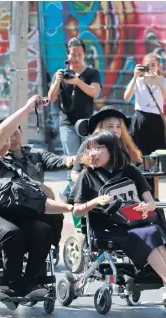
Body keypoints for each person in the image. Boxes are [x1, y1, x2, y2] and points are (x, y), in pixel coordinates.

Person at [0, 95, 74, 309]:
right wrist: (26, 108)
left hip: (17, 214)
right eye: (5, 133)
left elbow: (37, 201)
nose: (8, 137)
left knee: (43, 230)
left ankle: (32, 283)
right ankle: (11, 284)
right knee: (12, 234)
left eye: (14, 134)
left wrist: (72, 207)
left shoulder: (16, 165)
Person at [70, 130, 166, 303]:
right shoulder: (86, 175)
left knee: (154, 231)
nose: (93, 153)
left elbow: (151, 202)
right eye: (90, 148)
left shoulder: (129, 170)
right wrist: (95, 201)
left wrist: (147, 206)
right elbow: (76, 211)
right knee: (148, 234)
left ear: (112, 149)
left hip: (132, 222)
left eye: (98, 147)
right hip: (106, 229)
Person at [5, 127, 75, 257]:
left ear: (22, 133)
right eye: (8, 135)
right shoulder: (0, 159)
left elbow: (56, 160)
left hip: (38, 204)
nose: (13, 138)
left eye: (16, 133)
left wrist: (70, 160)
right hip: (15, 206)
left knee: (57, 216)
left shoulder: (36, 154)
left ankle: (53, 248)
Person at [47, 37, 101, 200]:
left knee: (88, 157)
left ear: (84, 54)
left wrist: (78, 81)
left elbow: (94, 92)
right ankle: (73, 193)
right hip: (67, 122)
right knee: (72, 158)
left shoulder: (92, 73)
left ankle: (71, 192)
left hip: (86, 123)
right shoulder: (61, 75)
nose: (76, 58)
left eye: (79, 54)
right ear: (67, 55)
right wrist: (57, 81)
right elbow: (51, 98)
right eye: (73, 54)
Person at [71, 105, 142, 183]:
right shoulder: (88, 144)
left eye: (118, 126)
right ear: (100, 128)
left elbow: (135, 169)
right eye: (110, 126)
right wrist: (91, 183)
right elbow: (74, 174)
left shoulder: (124, 144)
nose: (115, 130)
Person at [123, 53, 166, 155]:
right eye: (147, 65)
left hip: (156, 119)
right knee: (139, 152)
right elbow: (126, 97)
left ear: (158, 67)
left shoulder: (164, 81)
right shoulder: (139, 81)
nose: (150, 68)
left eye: (153, 65)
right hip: (140, 117)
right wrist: (135, 76)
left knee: (157, 152)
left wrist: (158, 82)